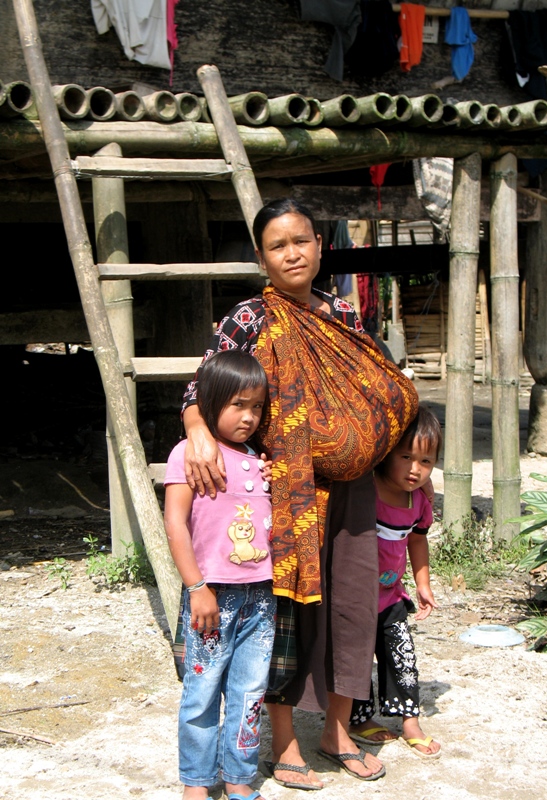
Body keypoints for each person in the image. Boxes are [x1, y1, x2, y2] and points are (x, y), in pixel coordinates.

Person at [181, 198, 418, 788]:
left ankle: (336, 731)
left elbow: (373, 386)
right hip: (282, 491)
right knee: (287, 614)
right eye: (279, 245)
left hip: (353, 487)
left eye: (303, 240)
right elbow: (203, 383)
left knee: (353, 603)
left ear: (319, 246)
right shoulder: (250, 319)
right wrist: (197, 430)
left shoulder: (340, 313)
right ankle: (283, 742)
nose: (293, 252)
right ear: (262, 257)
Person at [164, 350, 276, 800]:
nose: (248, 417)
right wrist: (196, 587)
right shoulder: (188, 454)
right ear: (208, 402)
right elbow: (175, 523)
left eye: (257, 407)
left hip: (261, 598)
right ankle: (196, 781)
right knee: (201, 693)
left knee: (249, 694)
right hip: (212, 597)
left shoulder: (262, 459)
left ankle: (238, 777)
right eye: (237, 405)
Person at [349, 405, 442, 759]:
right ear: (387, 453)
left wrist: (423, 584)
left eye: (426, 462)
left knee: (401, 656)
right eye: (406, 457)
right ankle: (358, 719)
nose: (415, 469)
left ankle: (409, 721)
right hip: (355, 596)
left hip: (390, 597)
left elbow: (417, 540)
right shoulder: (364, 489)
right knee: (356, 658)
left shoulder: (418, 501)